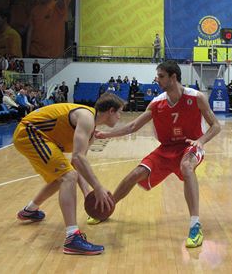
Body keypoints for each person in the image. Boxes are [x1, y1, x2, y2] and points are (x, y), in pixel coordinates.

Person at [92, 61, 221, 248]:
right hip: (166, 149)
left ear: (173, 77)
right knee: (134, 175)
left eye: (161, 76)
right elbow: (133, 126)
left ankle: (195, 225)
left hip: (190, 146)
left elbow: (216, 126)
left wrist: (200, 141)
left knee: (186, 167)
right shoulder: (157, 103)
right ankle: (107, 208)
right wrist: (107, 134)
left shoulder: (197, 97)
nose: (157, 79)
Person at [13, 93, 124, 254]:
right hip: (30, 132)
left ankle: (30, 210)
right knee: (68, 176)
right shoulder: (86, 117)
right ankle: (72, 239)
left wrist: (88, 193)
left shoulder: (91, 131)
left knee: (64, 176)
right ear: (111, 111)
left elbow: (77, 164)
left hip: (43, 137)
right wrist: (98, 187)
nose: (120, 117)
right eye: (120, 112)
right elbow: (78, 158)